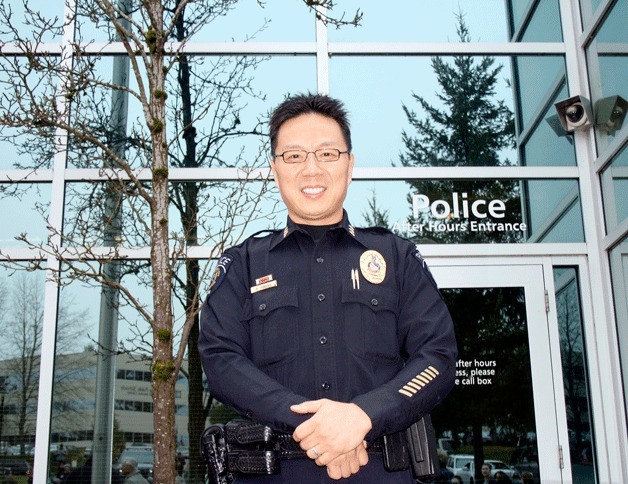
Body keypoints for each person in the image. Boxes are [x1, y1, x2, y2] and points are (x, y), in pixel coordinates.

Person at [199, 93, 457, 482]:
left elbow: (437, 357)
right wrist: (314, 425)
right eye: (294, 156)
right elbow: (221, 361)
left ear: (350, 165)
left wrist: (363, 416)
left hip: (381, 471)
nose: (311, 169)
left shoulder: (397, 257)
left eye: (327, 154)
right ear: (275, 168)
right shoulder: (243, 265)